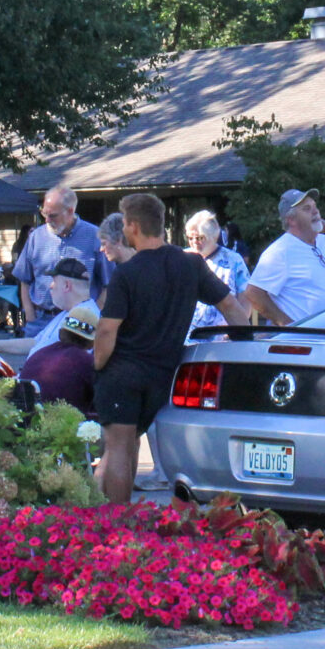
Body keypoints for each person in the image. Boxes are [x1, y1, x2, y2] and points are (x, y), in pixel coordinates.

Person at [91, 192, 249, 503]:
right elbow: (231, 305)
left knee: (118, 447)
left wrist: (97, 365)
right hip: (164, 373)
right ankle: (124, 521)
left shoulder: (128, 272)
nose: (122, 230)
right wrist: (244, 348)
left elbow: (107, 329)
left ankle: (116, 524)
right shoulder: (190, 263)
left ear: (134, 226)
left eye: (124, 224)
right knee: (132, 441)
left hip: (123, 372)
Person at [238, 189, 325, 326]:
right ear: (291, 220)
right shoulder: (280, 251)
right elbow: (253, 293)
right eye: (307, 209)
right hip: (304, 342)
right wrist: (287, 324)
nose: (315, 212)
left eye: (315, 207)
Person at [11, 187, 103, 329]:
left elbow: (108, 284)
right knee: (34, 351)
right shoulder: (37, 237)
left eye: (53, 215)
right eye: (44, 213)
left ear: (70, 211)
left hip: (80, 318)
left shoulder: (95, 236)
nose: (47, 220)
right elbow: (24, 279)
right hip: (41, 319)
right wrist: (29, 314)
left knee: (75, 352)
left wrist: (92, 316)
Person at [20, 302, 100, 411]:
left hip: (25, 419)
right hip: (62, 422)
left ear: (61, 331)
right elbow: (103, 400)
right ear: (92, 340)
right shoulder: (87, 362)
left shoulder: (39, 353)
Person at [19, 254, 96, 357]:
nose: (50, 286)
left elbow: (74, 358)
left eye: (54, 281)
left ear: (67, 285)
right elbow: (35, 343)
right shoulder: (66, 313)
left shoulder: (83, 317)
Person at [185, 210, 249, 330]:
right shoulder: (183, 258)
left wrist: (238, 329)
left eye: (199, 238)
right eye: (190, 238)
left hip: (222, 338)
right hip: (187, 337)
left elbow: (245, 297)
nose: (194, 242)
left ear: (214, 236)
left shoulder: (233, 259)